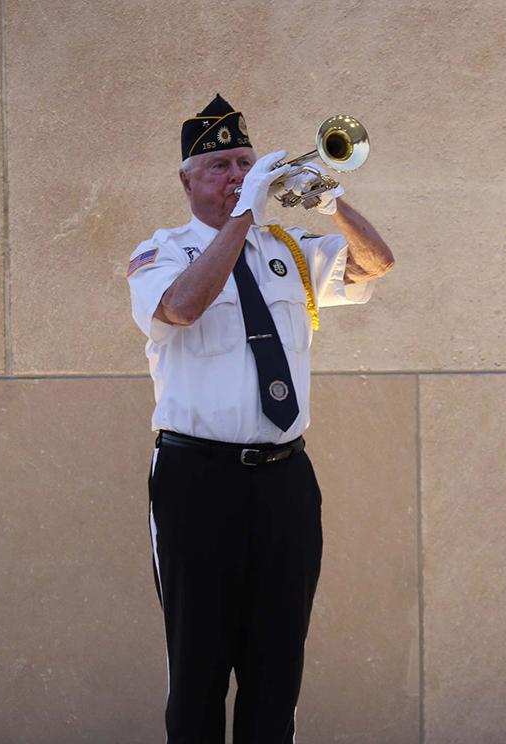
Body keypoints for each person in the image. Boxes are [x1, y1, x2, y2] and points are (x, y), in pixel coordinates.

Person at [125, 94, 394, 743]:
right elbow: (181, 310)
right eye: (219, 165)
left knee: (277, 671)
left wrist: (333, 202)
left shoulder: (288, 250)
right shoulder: (162, 252)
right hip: (198, 481)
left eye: (245, 161)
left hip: (283, 482)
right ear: (188, 180)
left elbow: (375, 263)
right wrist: (242, 218)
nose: (236, 175)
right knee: (198, 672)